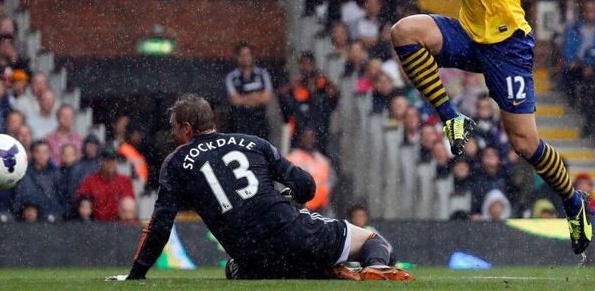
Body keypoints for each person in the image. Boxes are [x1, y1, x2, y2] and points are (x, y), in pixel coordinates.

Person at [348, 0, 592, 254]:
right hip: (472, 34)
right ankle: (452, 119)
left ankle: (573, 202)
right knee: (405, 32)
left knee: (524, 145)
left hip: (507, 46)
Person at [110, 94, 412, 282]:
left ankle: (324, 269)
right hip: (294, 234)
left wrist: (136, 274)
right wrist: (292, 198)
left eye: (174, 127)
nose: (173, 134)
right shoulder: (254, 143)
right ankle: (373, 267)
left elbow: (160, 225)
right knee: (373, 239)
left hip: (252, 259)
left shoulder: (176, 163)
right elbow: (306, 186)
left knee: (233, 268)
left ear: (187, 128)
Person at [225, 42, 273, 140]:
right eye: (242, 55)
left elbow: (267, 97)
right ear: (237, 57)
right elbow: (235, 100)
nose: (246, 58)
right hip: (240, 123)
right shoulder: (231, 77)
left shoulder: (263, 74)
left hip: (260, 121)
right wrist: (256, 96)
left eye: (248, 55)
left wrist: (244, 98)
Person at [74, 148, 134, 222]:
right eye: (107, 160)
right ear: (101, 162)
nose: (110, 163)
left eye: (113, 160)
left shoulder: (125, 181)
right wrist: (85, 202)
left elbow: (130, 207)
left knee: (128, 204)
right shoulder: (90, 181)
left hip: (119, 226)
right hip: (95, 226)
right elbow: (79, 199)